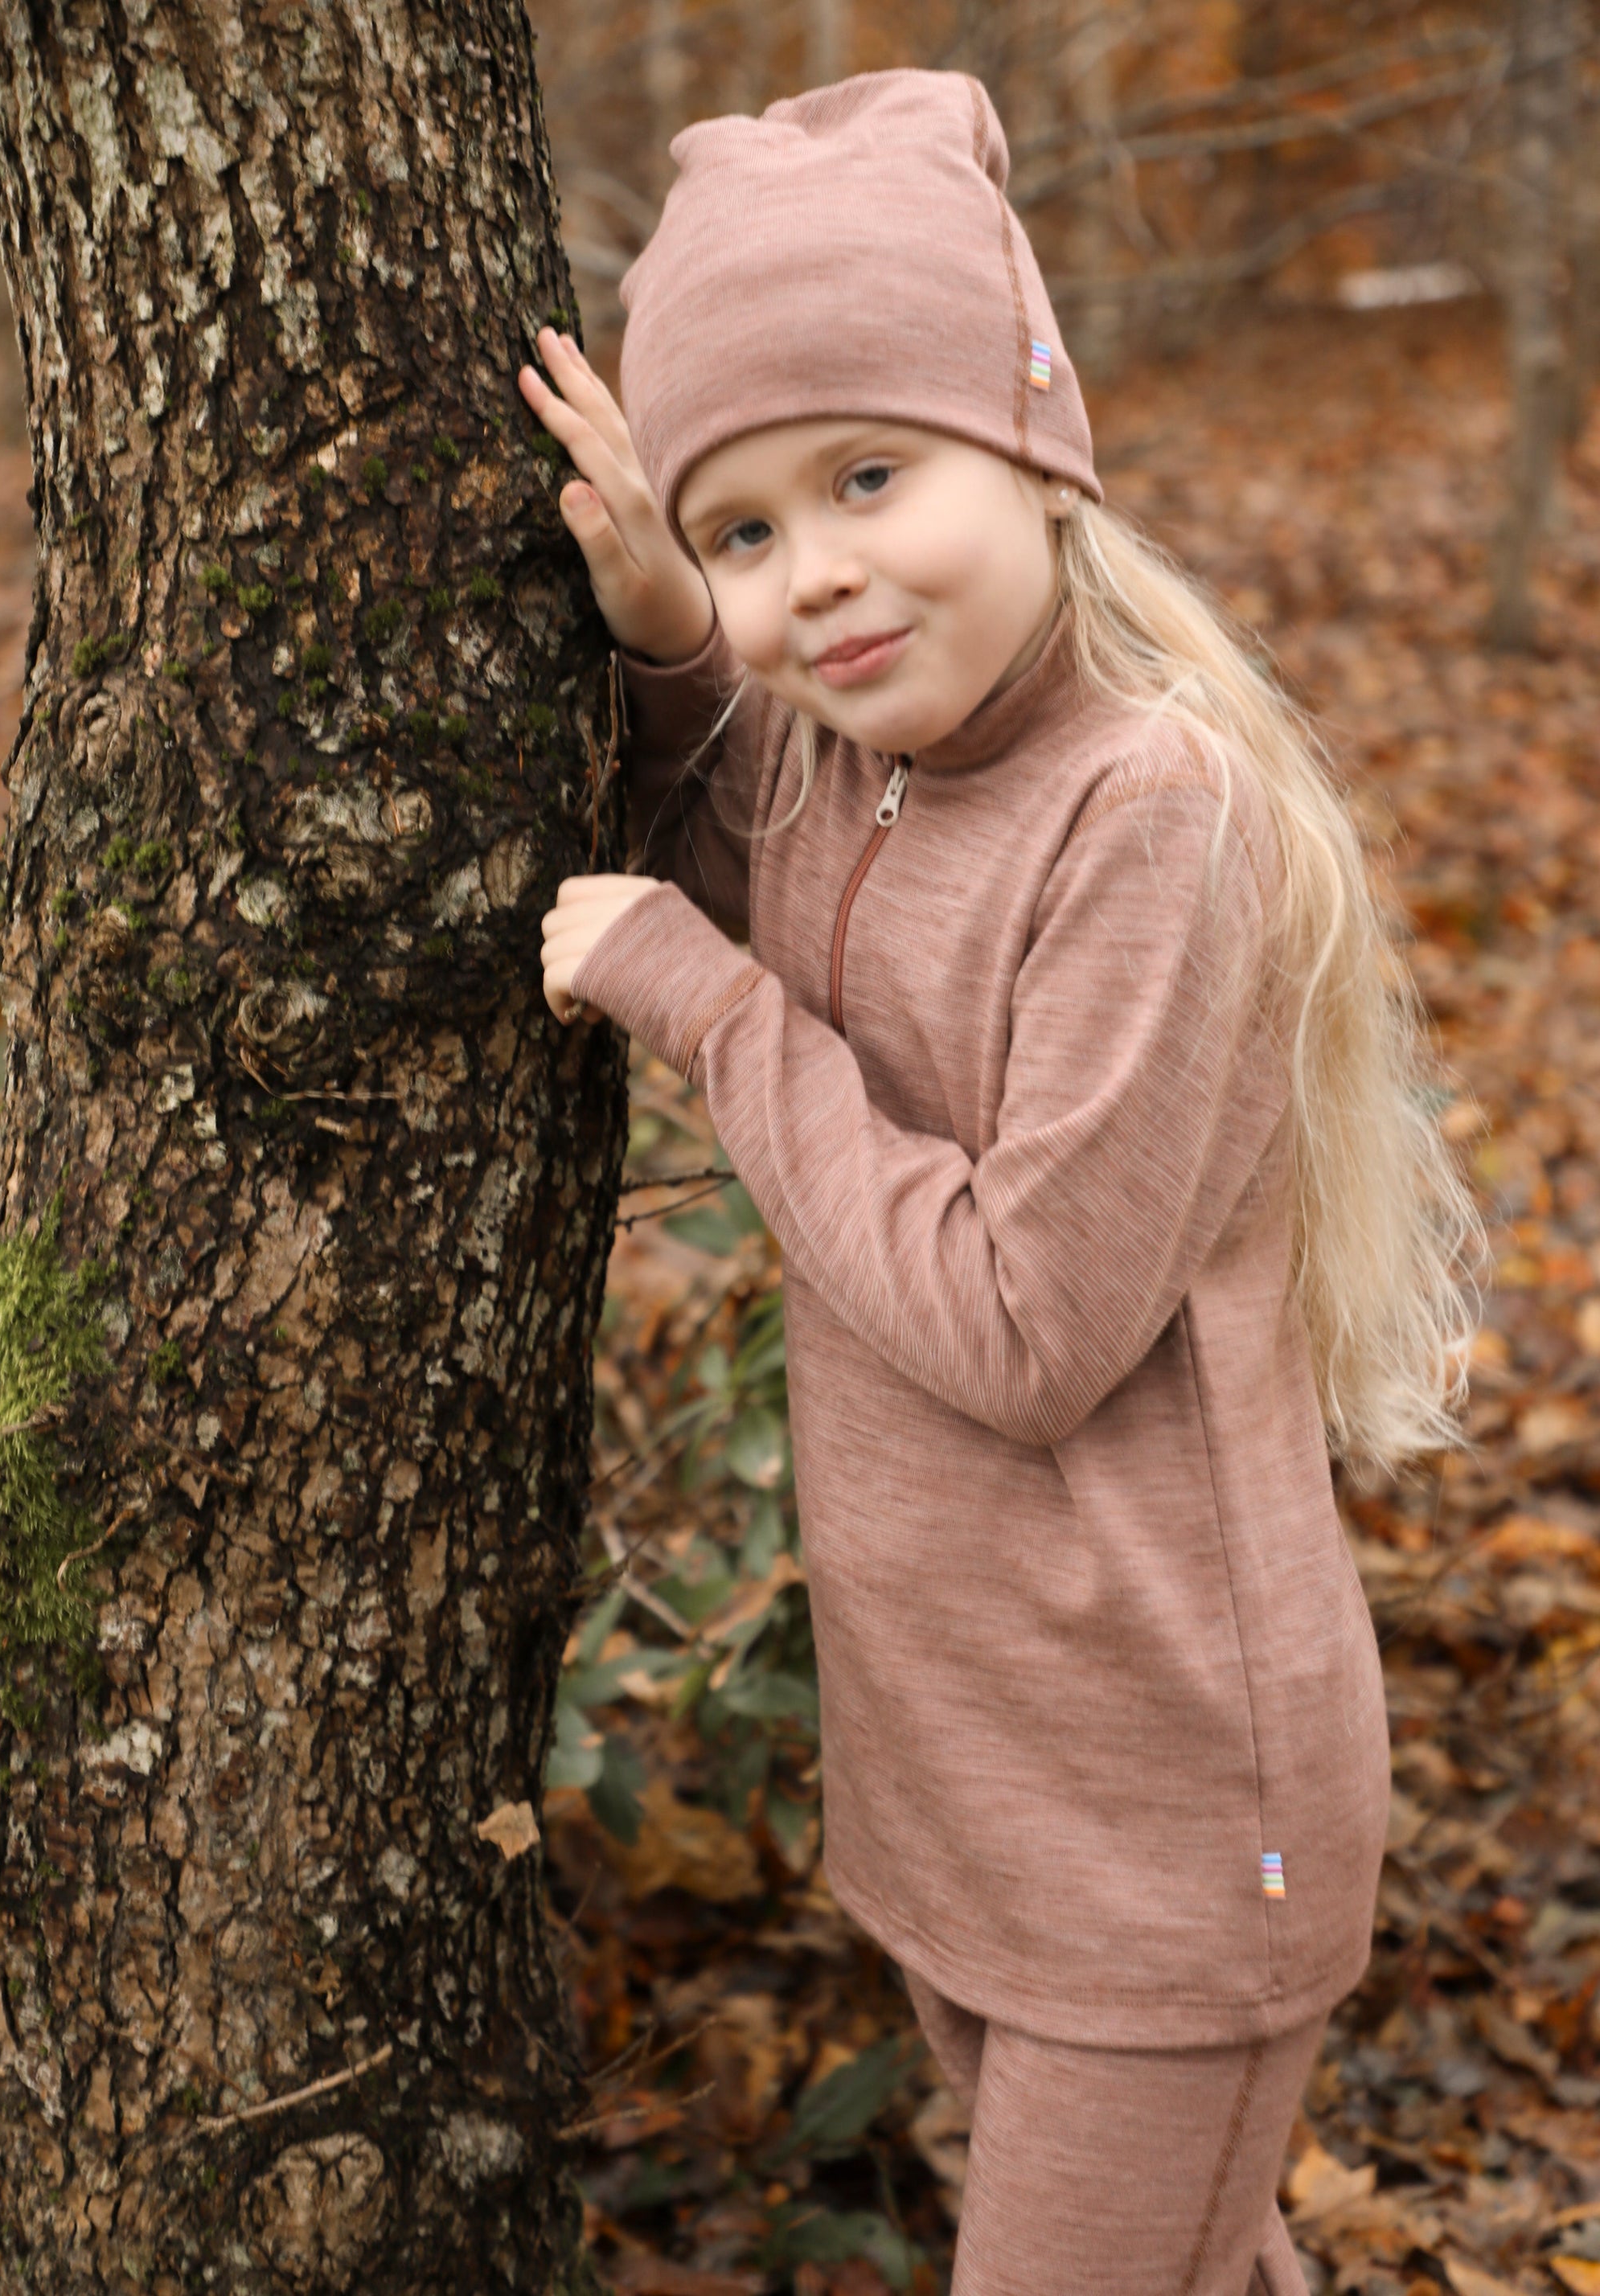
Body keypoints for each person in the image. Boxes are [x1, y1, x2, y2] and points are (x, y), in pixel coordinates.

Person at [519, 68, 1480, 2296]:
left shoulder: (1150, 816)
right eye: (750, 525)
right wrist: (674, 631)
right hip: (976, 1790)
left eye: (871, 475)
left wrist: (706, 1002)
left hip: (1161, 1827)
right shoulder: (876, 765)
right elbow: (739, 834)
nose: (820, 575)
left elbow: (1025, 1328)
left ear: (1038, 441)